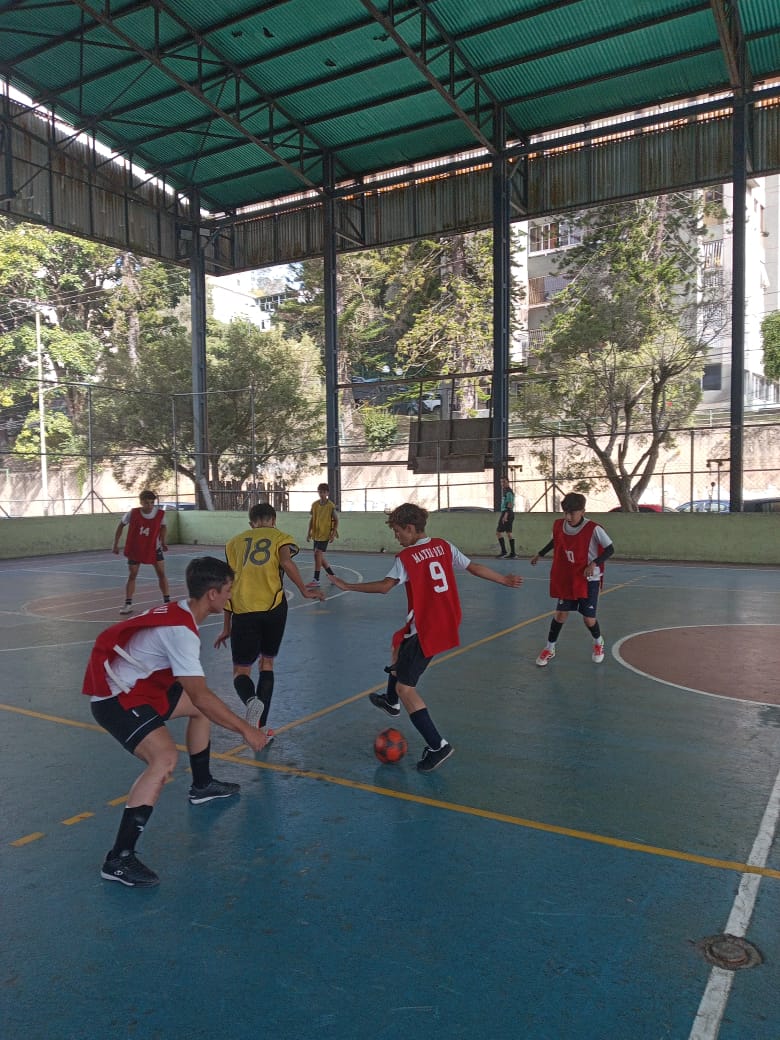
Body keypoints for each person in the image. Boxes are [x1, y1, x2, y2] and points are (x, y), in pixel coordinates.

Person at [83, 556, 270, 888]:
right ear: (212, 593)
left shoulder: (183, 611)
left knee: (199, 713)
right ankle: (119, 859)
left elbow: (197, 700)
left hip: (143, 687)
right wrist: (247, 730)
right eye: (228, 590)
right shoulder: (181, 632)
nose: (230, 596)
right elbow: (200, 694)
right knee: (164, 759)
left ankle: (202, 786)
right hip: (117, 698)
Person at [327, 503, 523, 772]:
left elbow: (385, 588)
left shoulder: (406, 558)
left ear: (409, 528)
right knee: (399, 642)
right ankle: (391, 701)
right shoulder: (443, 545)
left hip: (429, 627)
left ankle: (437, 745)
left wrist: (348, 585)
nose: (396, 537)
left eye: (397, 532)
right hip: (447, 619)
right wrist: (503, 580)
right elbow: (473, 567)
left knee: (406, 687)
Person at [216, 502, 325, 733]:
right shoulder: (280, 537)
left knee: (241, 671)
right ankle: (262, 727)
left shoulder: (233, 544)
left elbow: (228, 583)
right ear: (274, 520)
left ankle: (250, 701)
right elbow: (286, 562)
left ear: (250, 523)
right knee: (267, 663)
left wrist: (227, 625)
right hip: (274, 608)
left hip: (243, 610)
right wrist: (305, 590)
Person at [530, 491, 614, 667]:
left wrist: (594, 563)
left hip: (588, 578)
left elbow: (610, 549)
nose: (568, 517)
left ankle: (598, 642)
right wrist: (540, 554)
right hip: (569, 577)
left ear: (582, 511)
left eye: (572, 513)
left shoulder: (594, 529)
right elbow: (556, 542)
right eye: (565, 513)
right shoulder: (560, 525)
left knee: (588, 619)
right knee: (561, 614)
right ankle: (549, 648)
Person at [112, 489, 170, 615]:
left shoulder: (160, 514)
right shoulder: (133, 513)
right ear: (141, 502)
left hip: (153, 548)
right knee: (132, 575)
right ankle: (128, 603)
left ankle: (167, 602)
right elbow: (121, 525)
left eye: (151, 503)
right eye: (146, 503)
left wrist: (163, 541)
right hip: (136, 548)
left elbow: (164, 527)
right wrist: (115, 544)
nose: (149, 506)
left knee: (161, 573)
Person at [306, 482, 338, 588]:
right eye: (320, 492)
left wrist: (333, 534)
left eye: (324, 492)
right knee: (318, 556)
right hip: (316, 533)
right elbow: (312, 519)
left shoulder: (330, 506)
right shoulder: (315, 505)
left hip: (325, 534)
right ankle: (332, 575)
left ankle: (316, 579)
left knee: (317, 553)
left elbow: (336, 520)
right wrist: (309, 532)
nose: (322, 494)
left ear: (327, 493)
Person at [495, 476, 516, 558]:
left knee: (498, 532)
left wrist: (505, 515)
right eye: (501, 482)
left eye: (504, 482)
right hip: (507, 513)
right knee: (509, 533)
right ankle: (512, 553)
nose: (502, 483)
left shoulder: (509, 492)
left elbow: (510, 504)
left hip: (507, 513)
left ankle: (504, 552)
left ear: (508, 482)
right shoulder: (506, 491)